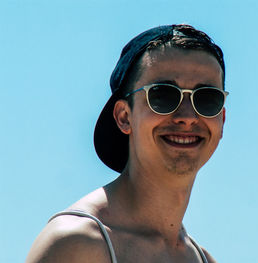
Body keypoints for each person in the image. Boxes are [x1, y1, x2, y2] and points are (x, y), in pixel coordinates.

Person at [26, 24, 228, 263]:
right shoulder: (78, 244)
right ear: (124, 117)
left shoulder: (201, 259)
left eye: (206, 99)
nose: (187, 116)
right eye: (163, 96)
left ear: (222, 119)